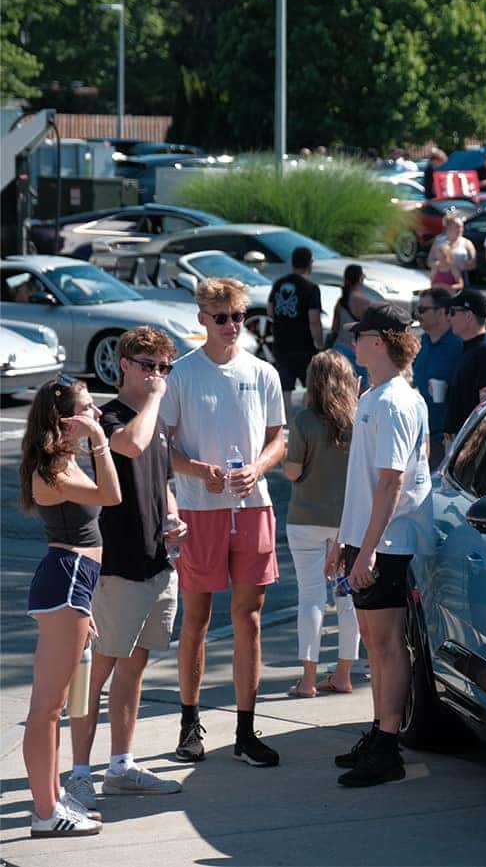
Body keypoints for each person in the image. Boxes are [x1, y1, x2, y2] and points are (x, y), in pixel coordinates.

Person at [161, 278, 287, 767]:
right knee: (195, 619)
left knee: (248, 619)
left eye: (239, 317)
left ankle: (244, 729)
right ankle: (190, 723)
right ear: (202, 320)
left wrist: (258, 466)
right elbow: (164, 445)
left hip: (253, 505)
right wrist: (199, 471)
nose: (233, 326)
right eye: (222, 317)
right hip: (199, 508)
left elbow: (279, 438)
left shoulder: (263, 373)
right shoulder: (182, 374)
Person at [65, 329, 185, 817]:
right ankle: (77, 774)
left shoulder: (153, 421)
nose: (157, 375)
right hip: (115, 569)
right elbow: (132, 448)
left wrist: (174, 516)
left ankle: (120, 765)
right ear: (123, 365)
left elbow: (160, 477)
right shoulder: (110, 418)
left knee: (134, 668)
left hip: (157, 564)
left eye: (164, 367)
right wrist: (155, 401)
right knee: (93, 672)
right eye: (148, 365)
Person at [331, 304, 432, 788]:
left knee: (388, 644)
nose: (353, 341)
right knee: (373, 642)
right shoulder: (374, 395)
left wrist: (367, 550)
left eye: (360, 334)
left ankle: (389, 745)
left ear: (382, 340)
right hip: (367, 538)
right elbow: (362, 483)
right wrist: (344, 540)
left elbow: (392, 483)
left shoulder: (394, 402)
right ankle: (378, 731)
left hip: (387, 541)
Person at [20, 376, 120, 836]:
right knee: (47, 707)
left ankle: (54, 798)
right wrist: (100, 442)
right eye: (87, 409)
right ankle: (45, 813)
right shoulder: (52, 470)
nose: (95, 414)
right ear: (63, 419)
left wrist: (85, 611)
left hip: (73, 586)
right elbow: (111, 497)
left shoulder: (62, 461)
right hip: (66, 580)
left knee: (55, 706)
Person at [281, 350, 360, 699]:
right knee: (347, 598)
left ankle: (309, 679)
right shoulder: (358, 421)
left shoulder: (304, 421)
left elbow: (293, 471)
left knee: (311, 597)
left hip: (306, 520)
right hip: (347, 524)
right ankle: (343, 673)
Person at [267, 246, 324, 421]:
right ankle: (306, 425)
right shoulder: (311, 288)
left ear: (293, 262)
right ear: (310, 263)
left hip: (281, 344)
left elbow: (270, 310)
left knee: (285, 389)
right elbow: (313, 319)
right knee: (311, 386)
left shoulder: (278, 283)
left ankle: (286, 426)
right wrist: (320, 343)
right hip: (304, 346)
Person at [411, 288, 462, 470]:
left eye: (423, 310)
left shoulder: (458, 346)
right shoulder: (420, 343)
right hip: (418, 434)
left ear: (441, 312)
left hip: (444, 440)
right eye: (417, 309)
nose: (417, 314)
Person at [443, 289, 486, 442]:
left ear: (468, 316)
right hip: (457, 439)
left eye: (453, 312)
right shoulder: (469, 346)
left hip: (469, 441)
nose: (449, 318)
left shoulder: (485, 350)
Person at [331, 264, 371, 384]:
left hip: (338, 349)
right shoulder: (363, 301)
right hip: (355, 352)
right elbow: (370, 329)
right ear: (360, 279)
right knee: (360, 393)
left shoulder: (341, 301)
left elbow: (335, 328)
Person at [428, 213, 475, 293]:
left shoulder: (467, 243)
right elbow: (430, 261)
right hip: (442, 277)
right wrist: (439, 265)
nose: (460, 229)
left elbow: (473, 263)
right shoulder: (439, 241)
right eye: (457, 226)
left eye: (462, 227)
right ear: (448, 228)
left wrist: (461, 266)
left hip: (460, 278)